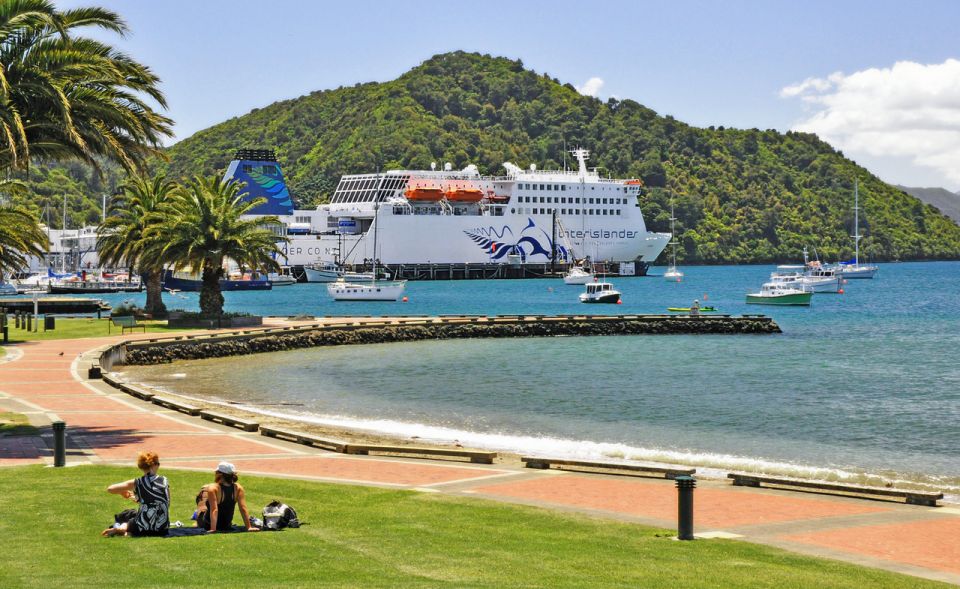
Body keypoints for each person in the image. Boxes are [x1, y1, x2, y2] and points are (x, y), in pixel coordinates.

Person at [102, 451, 170, 537]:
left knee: (130, 514)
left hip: (142, 526)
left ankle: (122, 528)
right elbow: (166, 502)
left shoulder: (137, 482)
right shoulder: (164, 480)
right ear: (154, 465)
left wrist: (121, 492)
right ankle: (126, 532)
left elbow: (110, 489)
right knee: (136, 515)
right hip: (162, 528)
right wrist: (140, 499)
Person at [196, 462, 259, 533]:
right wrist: (249, 527)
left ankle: (197, 515)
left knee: (203, 493)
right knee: (207, 491)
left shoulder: (213, 488)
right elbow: (243, 509)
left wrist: (213, 529)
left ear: (219, 474)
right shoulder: (238, 488)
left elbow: (214, 510)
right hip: (226, 525)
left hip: (207, 524)